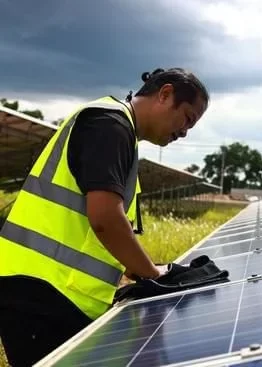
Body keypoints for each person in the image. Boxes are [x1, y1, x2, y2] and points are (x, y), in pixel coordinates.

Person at [0, 67, 209, 366]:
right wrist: (153, 275)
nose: (185, 131)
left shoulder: (120, 133)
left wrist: (142, 269)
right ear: (165, 94)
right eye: (187, 118)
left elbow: (101, 229)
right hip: (40, 293)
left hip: (52, 294)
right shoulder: (109, 125)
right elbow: (105, 219)